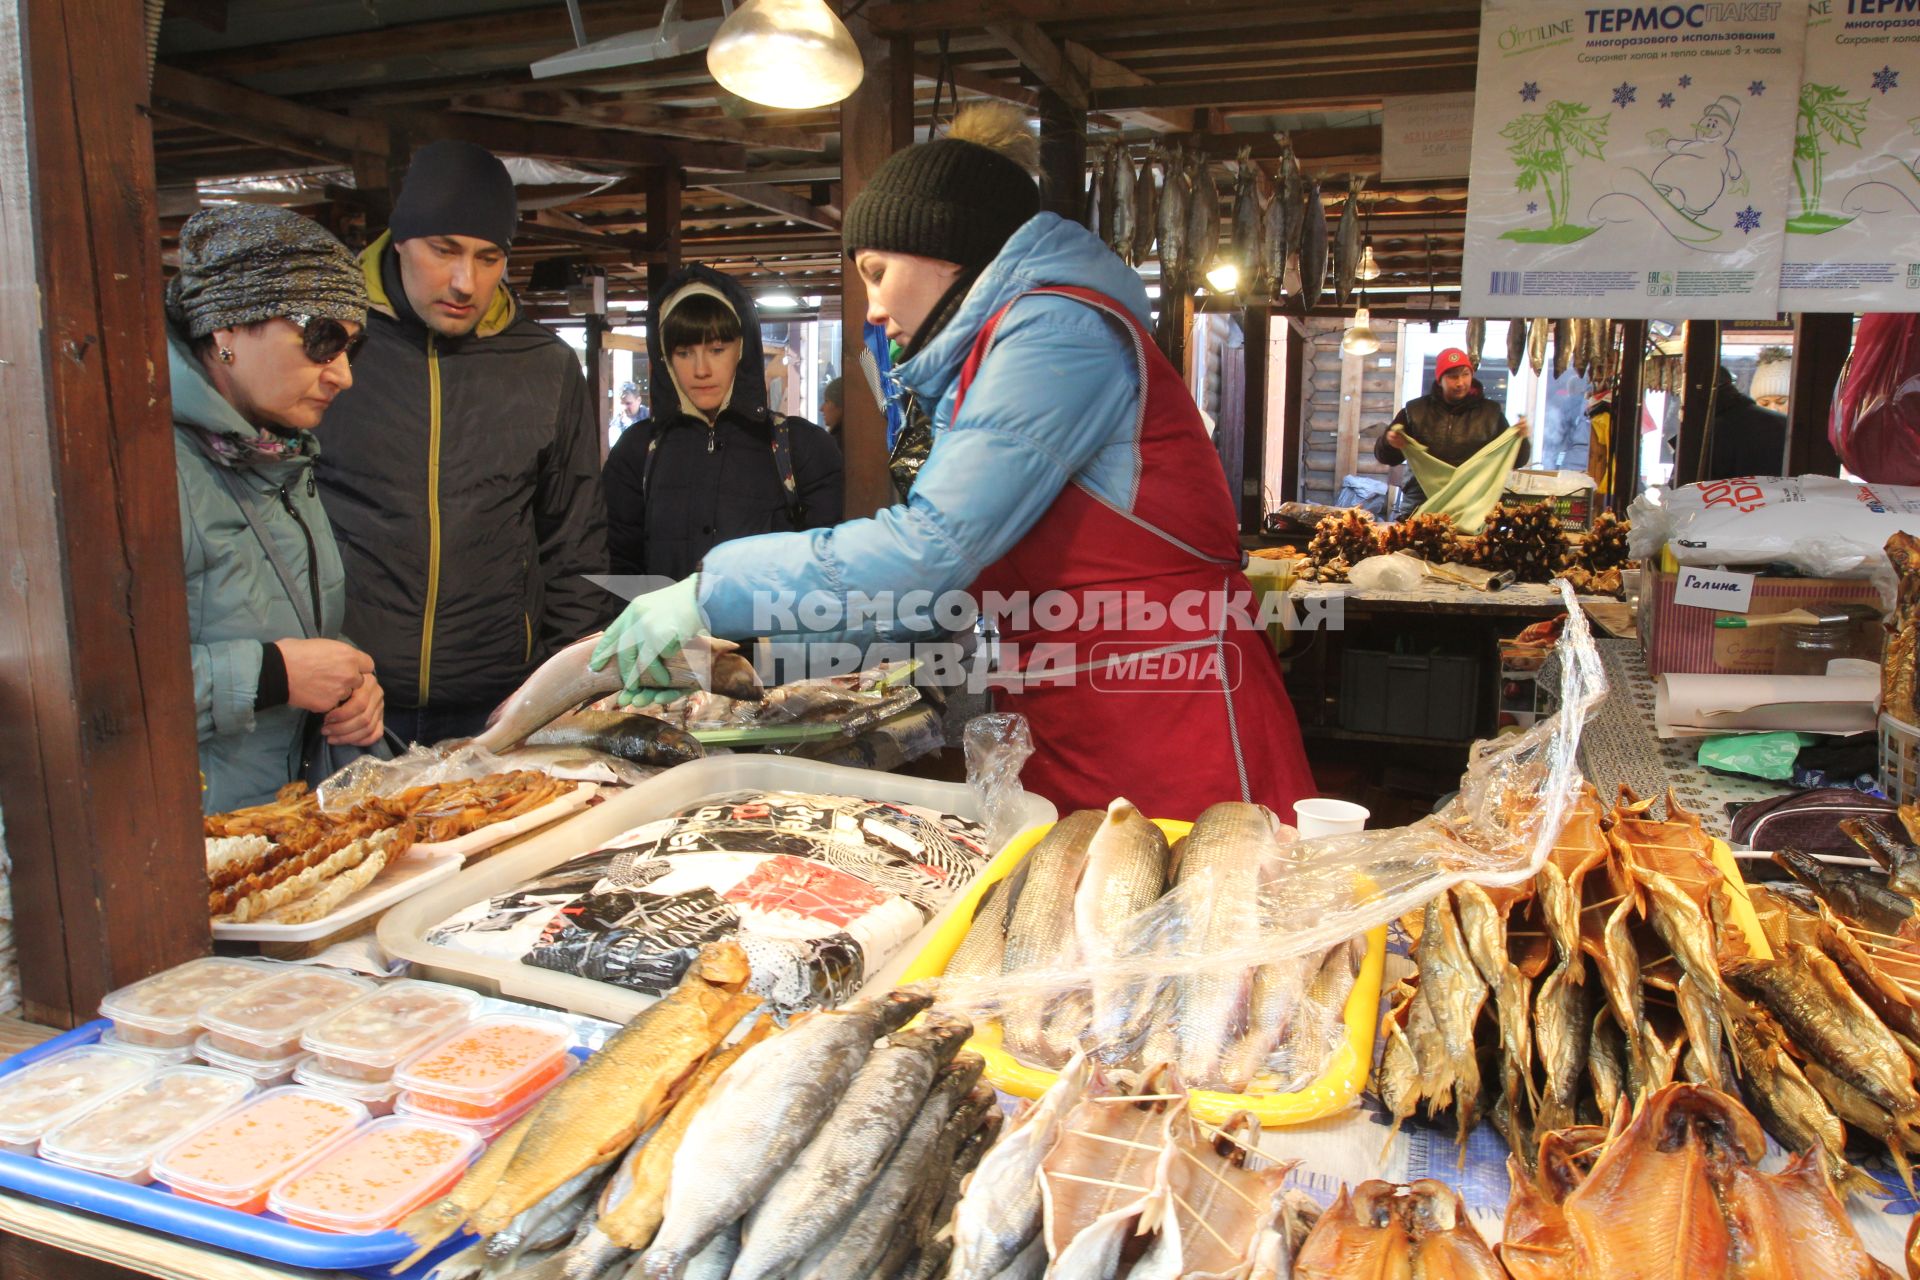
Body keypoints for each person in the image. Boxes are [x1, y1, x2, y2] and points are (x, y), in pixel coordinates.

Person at [588, 104, 1315, 820]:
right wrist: (740, 644)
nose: (871, 307)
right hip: (1081, 707)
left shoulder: (1055, 332)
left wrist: (713, 590)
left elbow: (929, 550)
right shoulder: (997, 355)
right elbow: (941, 586)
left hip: (1169, 718)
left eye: (877, 272)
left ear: (943, 250)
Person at [315, 141, 609, 745]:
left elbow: (574, 542)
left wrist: (554, 691)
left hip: (499, 703)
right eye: (442, 250)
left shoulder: (545, 365)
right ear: (398, 240)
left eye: (488, 256)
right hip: (349, 705)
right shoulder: (332, 346)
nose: (463, 281)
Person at [165, 205, 386, 813]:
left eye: (352, 347)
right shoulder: (131, 465)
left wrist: (349, 686)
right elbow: (65, 692)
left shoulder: (276, 457)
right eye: (322, 340)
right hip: (158, 845)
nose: (342, 374)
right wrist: (273, 675)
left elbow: (280, 628)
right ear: (226, 331)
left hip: (269, 819)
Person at [603, 265, 844, 581]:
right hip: (665, 631)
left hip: (772, 629)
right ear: (665, 356)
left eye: (717, 349)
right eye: (684, 352)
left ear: (741, 349)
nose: (701, 369)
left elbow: (828, 569)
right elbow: (618, 567)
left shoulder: (800, 447)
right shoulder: (637, 452)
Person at [1376, 347, 1530, 521]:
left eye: (1465, 374)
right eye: (1452, 376)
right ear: (1439, 379)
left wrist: (1521, 439)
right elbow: (1385, 457)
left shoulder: (1490, 414)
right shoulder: (1415, 411)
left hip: (1469, 509)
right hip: (1420, 505)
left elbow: (1517, 460)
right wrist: (1390, 443)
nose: (1460, 383)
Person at [1705, 364, 1788, 479]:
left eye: (1781, 401)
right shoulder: (1782, 425)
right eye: (1765, 402)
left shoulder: (1713, 428)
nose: (1773, 408)